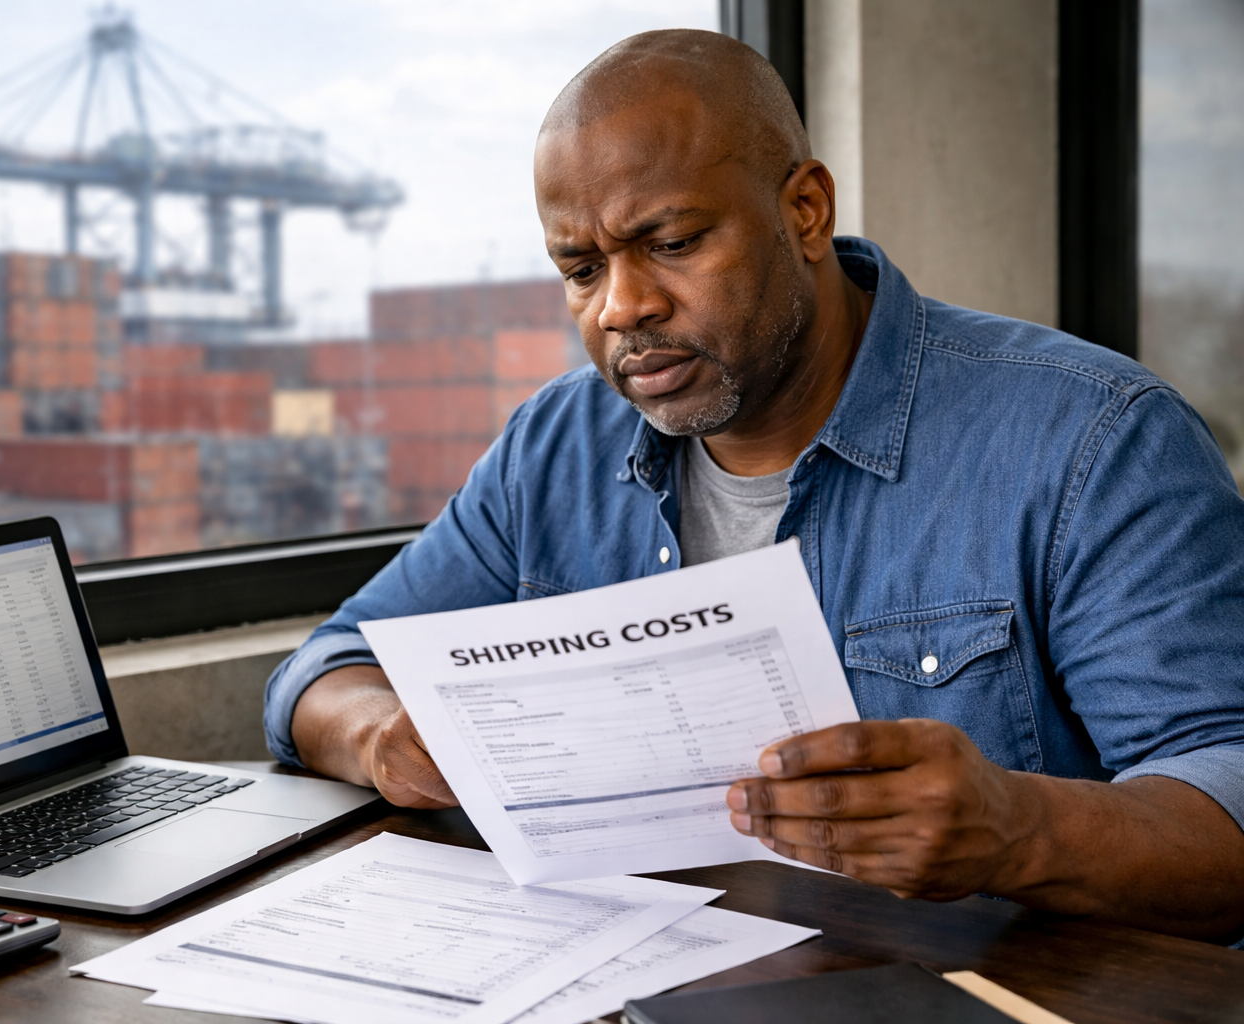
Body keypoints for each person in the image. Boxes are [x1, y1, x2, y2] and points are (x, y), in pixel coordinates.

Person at [264, 29, 1244, 941]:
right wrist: (385, 738)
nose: (623, 307)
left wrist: (1019, 829)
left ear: (804, 211)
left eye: (673, 242)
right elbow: (327, 668)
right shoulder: (558, 443)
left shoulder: (1091, 437)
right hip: (629, 971)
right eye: (579, 267)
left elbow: (1226, 797)